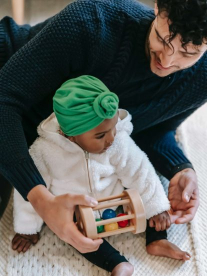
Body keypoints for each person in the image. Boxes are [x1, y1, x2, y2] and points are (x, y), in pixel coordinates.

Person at [0, 0, 203, 254]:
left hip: (34, 132)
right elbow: (4, 100)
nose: (167, 60)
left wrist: (180, 168)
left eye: (188, 53)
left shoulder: (200, 78)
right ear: (157, 8)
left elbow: (153, 128)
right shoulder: (91, 23)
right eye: (162, 39)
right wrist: (41, 200)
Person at [11, 75, 190, 275]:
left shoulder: (117, 141)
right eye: (101, 135)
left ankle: (157, 240)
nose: (111, 138)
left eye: (113, 128)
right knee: (75, 236)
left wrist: (156, 208)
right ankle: (116, 263)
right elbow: (29, 191)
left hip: (117, 203)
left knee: (149, 198)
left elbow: (141, 170)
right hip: (79, 213)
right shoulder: (44, 152)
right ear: (69, 135)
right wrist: (27, 229)